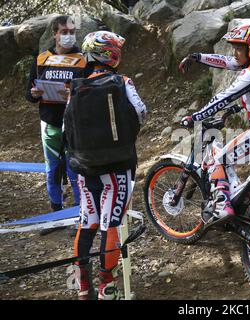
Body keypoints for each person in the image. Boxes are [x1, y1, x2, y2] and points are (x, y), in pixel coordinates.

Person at [178, 25, 250, 226]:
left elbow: (223, 98)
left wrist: (195, 117)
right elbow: (229, 62)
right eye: (234, 47)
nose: (234, 53)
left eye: (239, 48)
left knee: (218, 160)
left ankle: (222, 207)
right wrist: (198, 57)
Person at [67, 31, 147, 300]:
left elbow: (67, 126)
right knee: (111, 224)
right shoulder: (122, 81)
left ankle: (82, 287)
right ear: (110, 54)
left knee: (86, 222)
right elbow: (141, 111)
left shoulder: (76, 86)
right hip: (118, 165)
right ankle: (107, 287)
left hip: (84, 168)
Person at [25, 15, 85, 236]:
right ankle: (56, 216)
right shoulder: (41, 60)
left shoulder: (83, 60)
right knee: (52, 170)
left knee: (74, 170)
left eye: (72, 32)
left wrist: (76, 93)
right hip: (49, 121)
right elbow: (28, 93)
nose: (68, 36)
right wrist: (33, 94)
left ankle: (81, 217)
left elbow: (91, 92)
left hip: (74, 124)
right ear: (55, 34)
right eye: (64, 32)